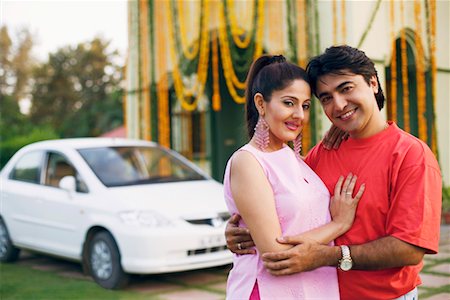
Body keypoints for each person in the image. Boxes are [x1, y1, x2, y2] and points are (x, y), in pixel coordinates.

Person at [225, 45, 442, 300]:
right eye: (326, 98)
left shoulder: (410, 155)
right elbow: (284, 206)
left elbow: (409, 248)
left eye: (346, 88)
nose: (338, 105)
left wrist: (331, 256)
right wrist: (243, 231)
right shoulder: (323, 152)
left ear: (372, 82)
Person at [223, 54, 365, 299]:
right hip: (269, 291)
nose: (299, 114)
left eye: (306, 105)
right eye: (289, 103)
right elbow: (275, 254)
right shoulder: (248, 162)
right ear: (261, 104)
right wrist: (339, 224)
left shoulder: (298, 161)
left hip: (317, 288)